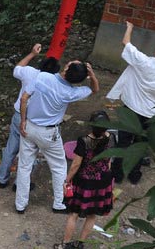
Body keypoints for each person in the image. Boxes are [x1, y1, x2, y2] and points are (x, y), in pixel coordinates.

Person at [15, 60, 99, 214]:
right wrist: (92, 75)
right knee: (59, 167)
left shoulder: (43, 77)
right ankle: (59, 203)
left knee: (24, 166)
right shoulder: (71, 93)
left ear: (66, 68)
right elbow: (95, 89)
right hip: (49, 133)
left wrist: (22, 121)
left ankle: (20, 204)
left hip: (29, 127)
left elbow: (24, 98)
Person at [106, 21, 155, 184]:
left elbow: (126, 43)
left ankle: (117, 174)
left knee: (124, 142)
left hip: (130, 109)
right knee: (141, 144)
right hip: (150, 113)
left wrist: (130, 27)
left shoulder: (143, 61)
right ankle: (134, 175)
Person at [0, 43, 60, 189]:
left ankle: (2, 179)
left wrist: (32, 54)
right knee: (29, 153)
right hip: (34, 121)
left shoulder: (30, 72)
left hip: (19, 115)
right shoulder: (55, 83)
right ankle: (20, 184)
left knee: (11, 147)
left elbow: (17, 69)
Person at [54, 111, 115, 249]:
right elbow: (109, 160)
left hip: (84, 183)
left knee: (73, 213)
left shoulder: (84, 141)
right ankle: (80, 244)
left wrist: (66, 180)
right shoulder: (112, 138)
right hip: (103, 181)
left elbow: (75, 165)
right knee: (92, 215)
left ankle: (66, 244)